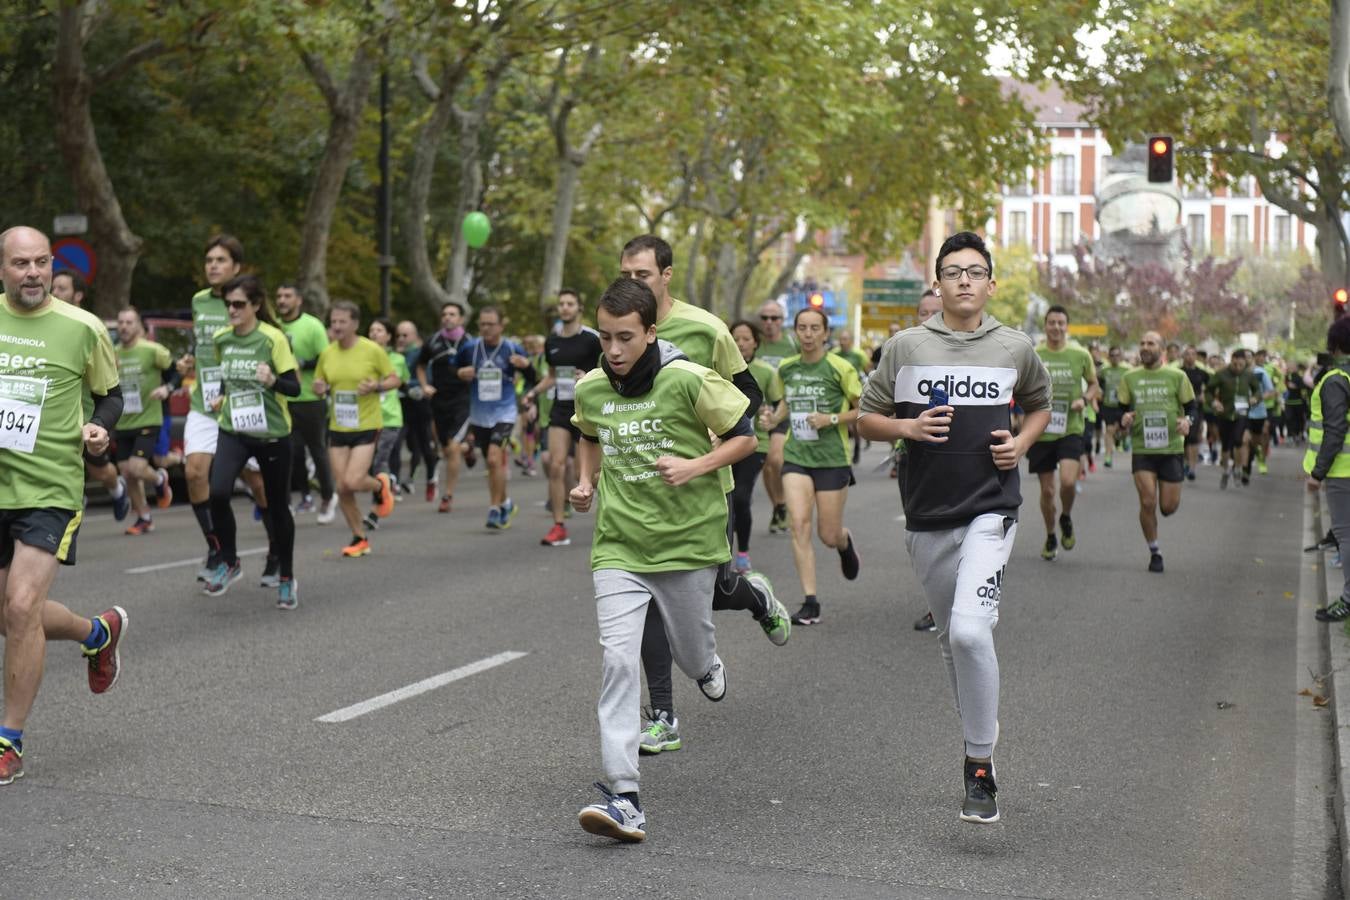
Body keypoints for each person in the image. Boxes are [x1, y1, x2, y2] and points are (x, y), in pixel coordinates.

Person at [856, 230, 1052, 825]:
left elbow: (1041, 403)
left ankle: (979, 764)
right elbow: (866, 418)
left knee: (970, 633)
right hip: (927, 514)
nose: (964, 280)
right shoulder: (906, 347)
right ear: (937, 285)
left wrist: (1019, 442)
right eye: (952, 272)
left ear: (991, 284)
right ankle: (977, 738)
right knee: (952, 637)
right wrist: (907, 431)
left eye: (975, 271)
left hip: (992, 508)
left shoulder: (1014, 347)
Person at [570, 277, 758, 843]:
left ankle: (707, 665)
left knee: (691, 653)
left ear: (651, 333)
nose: (614, 351)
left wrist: (694, 467)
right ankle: (625, 796)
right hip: (620, 547)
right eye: (604, 338)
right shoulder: (592, 388)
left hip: (688, 545)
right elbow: (588, 433)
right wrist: (585, 481)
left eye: (625, 338)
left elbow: (744, 437)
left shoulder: (688, 379)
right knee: (619, 663)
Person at [618, 235, 788, 757]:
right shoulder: (615, 330)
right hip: (639, 490)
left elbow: (748, 394)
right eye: (625, 273)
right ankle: (663, 716)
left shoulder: (706, 328)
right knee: (646, 594)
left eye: (642, 276)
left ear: (666, 276)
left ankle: (752, 594)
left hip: (702, 486)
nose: (632, 283)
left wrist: (718, 437)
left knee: (704, 591)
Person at [0, 226, 130, 784]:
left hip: (50, 488)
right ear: (2, 268)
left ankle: (8, 740)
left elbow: (113, 394)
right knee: (9, 614)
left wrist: (100, 427)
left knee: (22, 605)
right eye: (20, 263)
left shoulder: (82, 327)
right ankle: (95, 633)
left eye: (41, 263)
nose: (33, 273)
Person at [201, 275, 302, 607]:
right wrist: (219, 397)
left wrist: (272, 379)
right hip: (234, 428)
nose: (231, 309)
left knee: (276, 507)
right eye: (228, 304)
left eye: (239, 304)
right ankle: (229, 561)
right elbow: (224, 379)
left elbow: (294, 387)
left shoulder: (273, 339)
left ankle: (286, 575)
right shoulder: (221, 339)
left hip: (272, 434)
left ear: (256, 305)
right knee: (217, 492)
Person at [177, 236, 271, 580]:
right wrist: (190, 361)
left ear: (236, 267)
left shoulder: (244, 301)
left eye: (220, 260)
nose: (212, 265)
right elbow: (204, 345)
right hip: (204, 401)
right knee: (194, 473)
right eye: (208, 260)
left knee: (258, 482)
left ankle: (276, 550)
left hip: (241, 403)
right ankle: (218, 549)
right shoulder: (199, 300)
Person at [762, 307, 863, 625]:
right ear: (796, 332)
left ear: (825, 333)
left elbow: (863, 411)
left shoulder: (840, 367)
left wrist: (830, 419)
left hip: (832, 458)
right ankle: (810, 601)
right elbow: (786, 405)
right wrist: (772, 419)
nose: (807, 334)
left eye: (813, 328)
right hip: (797, 456)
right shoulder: (788, 369)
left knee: (827, 534)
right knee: (799, 525)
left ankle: (845, 543)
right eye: (801, 328)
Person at [313, 301, 399, 557]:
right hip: (338, 425)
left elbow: (395, 378)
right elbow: (321, 382)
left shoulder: (372, 351)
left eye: (342, 321)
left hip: (367, 424)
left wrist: (376, 387)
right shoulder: (327, 353)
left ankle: (381, 488)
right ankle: (359, 537)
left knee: (353, 479)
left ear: (355, 324)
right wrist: (319, 388)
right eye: (333, 321)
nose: (336, 326)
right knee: (343, 487)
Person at [524, 289, 602, 547]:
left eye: (570, 303)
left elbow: (611, 367)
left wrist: (590, 378)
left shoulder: (592, 338)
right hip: (561, 408)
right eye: (561, 304)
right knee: (556, 465)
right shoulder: (552, 341)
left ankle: (613, 521)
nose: (565, 308)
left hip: (589, 409)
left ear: (580, 307)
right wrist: (533, 393)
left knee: (589, 475)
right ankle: (558, 525)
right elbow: (553, 375)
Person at [52, 271, 130, 521]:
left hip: (86, 415)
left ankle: (117, 488)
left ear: (78, 295)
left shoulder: (90, 326)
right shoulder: (45, 325)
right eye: (53, 287)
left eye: (62, 288)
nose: (56, 292)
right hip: (55, 420)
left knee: (100, 471)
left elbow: (110, 374)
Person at [1118, 331, 1195, 573]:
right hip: (1143, 449)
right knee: (1148, 501)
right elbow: (1119, 411)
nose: (1145, 346)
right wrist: (1124, 419)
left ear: (1161, 349)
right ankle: (1154, 551)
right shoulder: (1129, 378)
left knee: (1168, 507)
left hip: (1171, 448)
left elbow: (1192, 407)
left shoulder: (1177, 376)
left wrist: (1188, 422)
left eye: (1150, 343)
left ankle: (1161, 521)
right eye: (1141, 342)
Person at [454, 305, 536, 529]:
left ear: (501, 325)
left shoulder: (511, 348)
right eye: (482, 324)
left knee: (493, 458)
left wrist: (525, 365)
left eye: (491, 324)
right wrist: (461, 373)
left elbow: (533, 376)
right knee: (493, 465)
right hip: (480, 414)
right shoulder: (470, 348)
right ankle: (506, 503)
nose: (486, 328)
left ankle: (493, 509)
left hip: (505, 412)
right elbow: (454, 370)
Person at [1029, 305, 1098, 560]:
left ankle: (1066, 516)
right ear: (1045, 326)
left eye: (1061, 323)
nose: (1056, 327)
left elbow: (1093, 384)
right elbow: (1023, 386)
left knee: (1068, 482)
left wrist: (1085, 399)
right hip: (1041, 428)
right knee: (1047, 491)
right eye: (1051, 323)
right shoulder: (1034, 354)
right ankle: (1050, 535)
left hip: (1071, 427)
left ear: (1066, 326)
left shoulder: (1080, 354)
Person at [275, 282, 336, 521]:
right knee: (290, 451)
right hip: (283, 397)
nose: (282, 300)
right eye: (279, 296)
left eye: (287, 296)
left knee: (317, 449)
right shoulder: (275, 326)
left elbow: (326, 357)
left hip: (310, 397)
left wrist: (302, 363)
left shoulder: (312, 325)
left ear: (298, 300)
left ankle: (329, 497)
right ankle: (300, 497)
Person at [112, 306, 176, 534]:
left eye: (129, 322)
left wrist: (167, 389)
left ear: (139, 325)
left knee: (137, 468)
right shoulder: (113, 353)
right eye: (120, 322)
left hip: (149, 418)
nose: (124, 327)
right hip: (123, 422)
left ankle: (159, 479)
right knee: (127, 473)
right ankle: (144, 517)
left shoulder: (152, 350)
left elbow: (174, 374)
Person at [729, 320, 783, 573]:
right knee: (725, 500)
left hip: (755, 443)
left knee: (741, 496)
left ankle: (743, 553)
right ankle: (721, 554)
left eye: (746, 339)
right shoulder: (718, 371)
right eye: (735, 338)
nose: (740, 343)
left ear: (755, 343)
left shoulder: (765, 372)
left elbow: (779, 402)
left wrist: (768, 416)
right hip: (723, 444)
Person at [906, 288, 944, 633]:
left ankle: (956, 603)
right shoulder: (904, 352)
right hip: (918, 461)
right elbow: (873, 412)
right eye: (923, 313)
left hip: (964, 463)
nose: (929, 319)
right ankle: (938, 602)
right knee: (928, 537)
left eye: (936, 311)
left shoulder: (973, 351)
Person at [1307, 318, 1350, 620]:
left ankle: (1348, 600)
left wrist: (1317, 472)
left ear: (1334, 345)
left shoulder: (1335, 379)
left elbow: (1334, 430)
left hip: (1342, 470)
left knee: (1346, 535)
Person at [416, 302, 472, 513]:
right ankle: (468, 448)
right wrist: (424, 385)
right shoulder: (432, 341)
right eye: (444, 314)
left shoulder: (470, 342)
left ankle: (447, 495)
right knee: (446, 448)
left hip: (463, 400)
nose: (447, 317)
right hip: (439, 400)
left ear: (461, 319)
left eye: (452, 314)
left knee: (452, 448)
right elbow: (420, 366)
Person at [755, 299, 798, 534]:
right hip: (758, 412)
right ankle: (779, 506)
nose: (769, 323)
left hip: (783, 407)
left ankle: (781, 504)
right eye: (765, 318)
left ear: (782, 321)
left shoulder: (791, 343)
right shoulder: (754, 343)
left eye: (775, 318)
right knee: (767, 467)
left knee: (775, 459)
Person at [362, 318, 410, 531]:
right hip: (366, 418)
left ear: (389, 336)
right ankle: (388, 485)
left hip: (389, 418)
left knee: (379, 460)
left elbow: (400, 381)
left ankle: (376, 509)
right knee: (371, 463)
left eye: (379, 330)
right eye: (371, 330)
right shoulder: (361, 358)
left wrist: (377, 385)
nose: (374, 334)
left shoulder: (397, 359)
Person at [1206, 349, 1260, 489]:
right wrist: (1214, 403)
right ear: (1232, 360)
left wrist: (1255, 398)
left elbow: (1257, 391)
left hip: (1241, 413)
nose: (1238, 367)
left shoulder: (1248, 375)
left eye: (1241, 365)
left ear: (1244, 363)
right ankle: (1225, 471)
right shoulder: (1221, 374)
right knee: (1225, 445)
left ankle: (1237, 469)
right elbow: (1208, 391)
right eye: (1235, 364)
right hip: (1224, 413)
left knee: (1238, 440)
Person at [1245, 349, 1277, 479]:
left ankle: (1261, 459)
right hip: (1242, 412)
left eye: (1247, 357)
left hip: (1260, 411)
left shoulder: (1261, 372)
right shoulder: (1237, 374)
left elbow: (1271, 391)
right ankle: (1246, 465)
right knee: (1245, 439)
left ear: (1252, 358)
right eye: (1242, 357)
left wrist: (1258, 398)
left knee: (1261, 438)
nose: (1244, 359)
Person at [1179, 346, 1209, 480]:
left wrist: (1205, 396)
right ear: (1183, 356)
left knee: (1193, 438)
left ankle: (1192, 468)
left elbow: (1212, 389)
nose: (1190, 357)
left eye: (1192, 354)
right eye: (1187, 354)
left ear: (1196, 357)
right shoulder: (1178, 372)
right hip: (1180, 409)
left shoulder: (1202, 373)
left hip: (1196, 409)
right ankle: (1185, 462)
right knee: (1184, 439)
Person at [1098, 345, 1129, 467]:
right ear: (1109, 357)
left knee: (1123, 429)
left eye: (1117, 355)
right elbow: (1097, 383)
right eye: (1112, 355)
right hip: (1108, 404)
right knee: (1109, 430)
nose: (1115, 358)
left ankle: (1124, 437)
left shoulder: (1127, 369)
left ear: (1121, 356)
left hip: (1123, 404)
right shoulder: (1104, 370)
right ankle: (1108, 456)